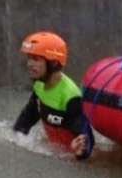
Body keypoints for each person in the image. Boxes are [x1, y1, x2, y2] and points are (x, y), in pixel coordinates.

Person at [12, 31, 93, 159]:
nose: (29, 64)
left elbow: (87, 139)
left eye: (36, 59)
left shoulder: (71, 96)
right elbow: (27, 118)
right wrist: (16, 138)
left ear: (54, 63)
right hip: (54, 152)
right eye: (29, 58)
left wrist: (79, 152)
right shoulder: (39, 85)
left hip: (68, 162)